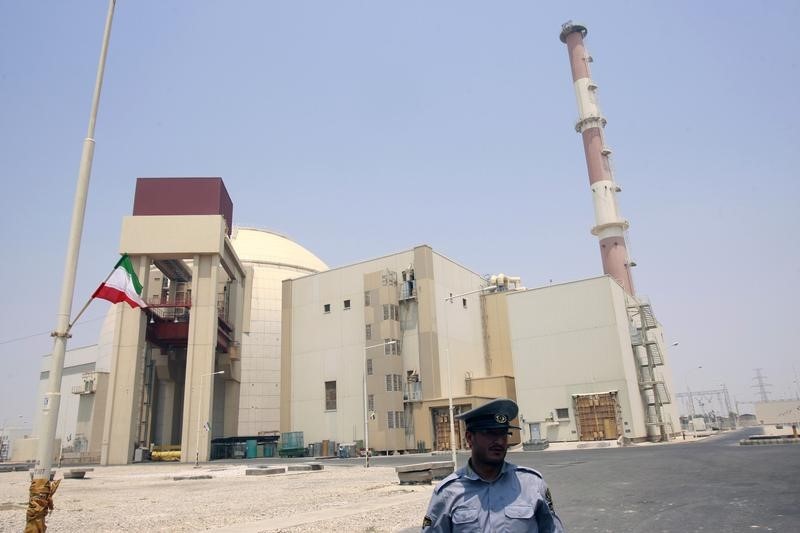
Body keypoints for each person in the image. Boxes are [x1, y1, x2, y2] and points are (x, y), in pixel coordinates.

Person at [422, 398, 564, 532]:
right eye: (490, 433)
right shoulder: (449, 492)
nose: (500, 441)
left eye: (503, 434)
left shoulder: (531, 484)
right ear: (470, 438)